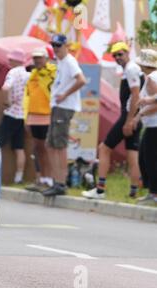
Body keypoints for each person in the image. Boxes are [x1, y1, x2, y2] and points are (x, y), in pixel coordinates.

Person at [82, 42, 144, 200]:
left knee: (104, 148)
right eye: (115, 55)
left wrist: (129, 121)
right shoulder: (133, 69)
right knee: (132, 155)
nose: (117, 58)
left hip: (129, 116)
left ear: (127, 53)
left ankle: (100, 190)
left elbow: (136, 95)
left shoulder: (131, 69)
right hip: (135, 116)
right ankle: (133, 192)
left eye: (120, 54)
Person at [42, 34, 87, 197]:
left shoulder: (69, 61)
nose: (55, 48)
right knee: (51, 145)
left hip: (64, 107)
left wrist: (65, 94)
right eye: (53, 45)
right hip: (58, 106)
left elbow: (81, 80)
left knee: (59, 146)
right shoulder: (61, 62)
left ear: (65, 46)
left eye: (58, 45)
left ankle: (61, 182)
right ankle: (57, 181)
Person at [0, 48, 30, 184]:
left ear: (16, 60)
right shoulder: (28, 75)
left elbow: (5, 87)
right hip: (23, 115)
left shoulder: (13, 73)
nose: (9, 61)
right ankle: (18, 177)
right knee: (19, 148)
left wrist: (7, 101)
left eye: (11, 59)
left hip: (11, 114)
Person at [24, 47, 57, 192]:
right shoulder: (33, 75)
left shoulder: (52, 72)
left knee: (47, 148)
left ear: (46, 58)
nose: (37, 61)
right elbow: (27, 96)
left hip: (48, 115)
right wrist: (26, 118)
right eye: (35, 58)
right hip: (33, 116)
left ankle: (50, 179)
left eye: (40, 58)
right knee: (38, 149)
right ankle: (41, 179)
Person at [131, 49, 157, 206]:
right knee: (145, 158)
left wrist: (140, 115)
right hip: (153, 125)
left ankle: (153, 192)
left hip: (154, 125)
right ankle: (152, 191)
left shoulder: (151, 79)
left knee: (148, 159)